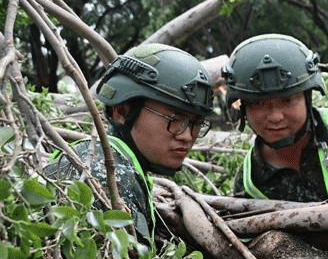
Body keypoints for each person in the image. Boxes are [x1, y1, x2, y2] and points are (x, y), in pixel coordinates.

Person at [46, 43, 215, 247]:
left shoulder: (100, 159)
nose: (187, 136)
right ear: (122, 111)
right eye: (175, 119)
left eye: (196, 123)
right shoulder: (113, 178)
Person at [222, 34, 328, 203]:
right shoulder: (250, 183)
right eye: (259, 103)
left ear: (308, 97)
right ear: (243, 107)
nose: (275, 117)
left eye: (287, 100)